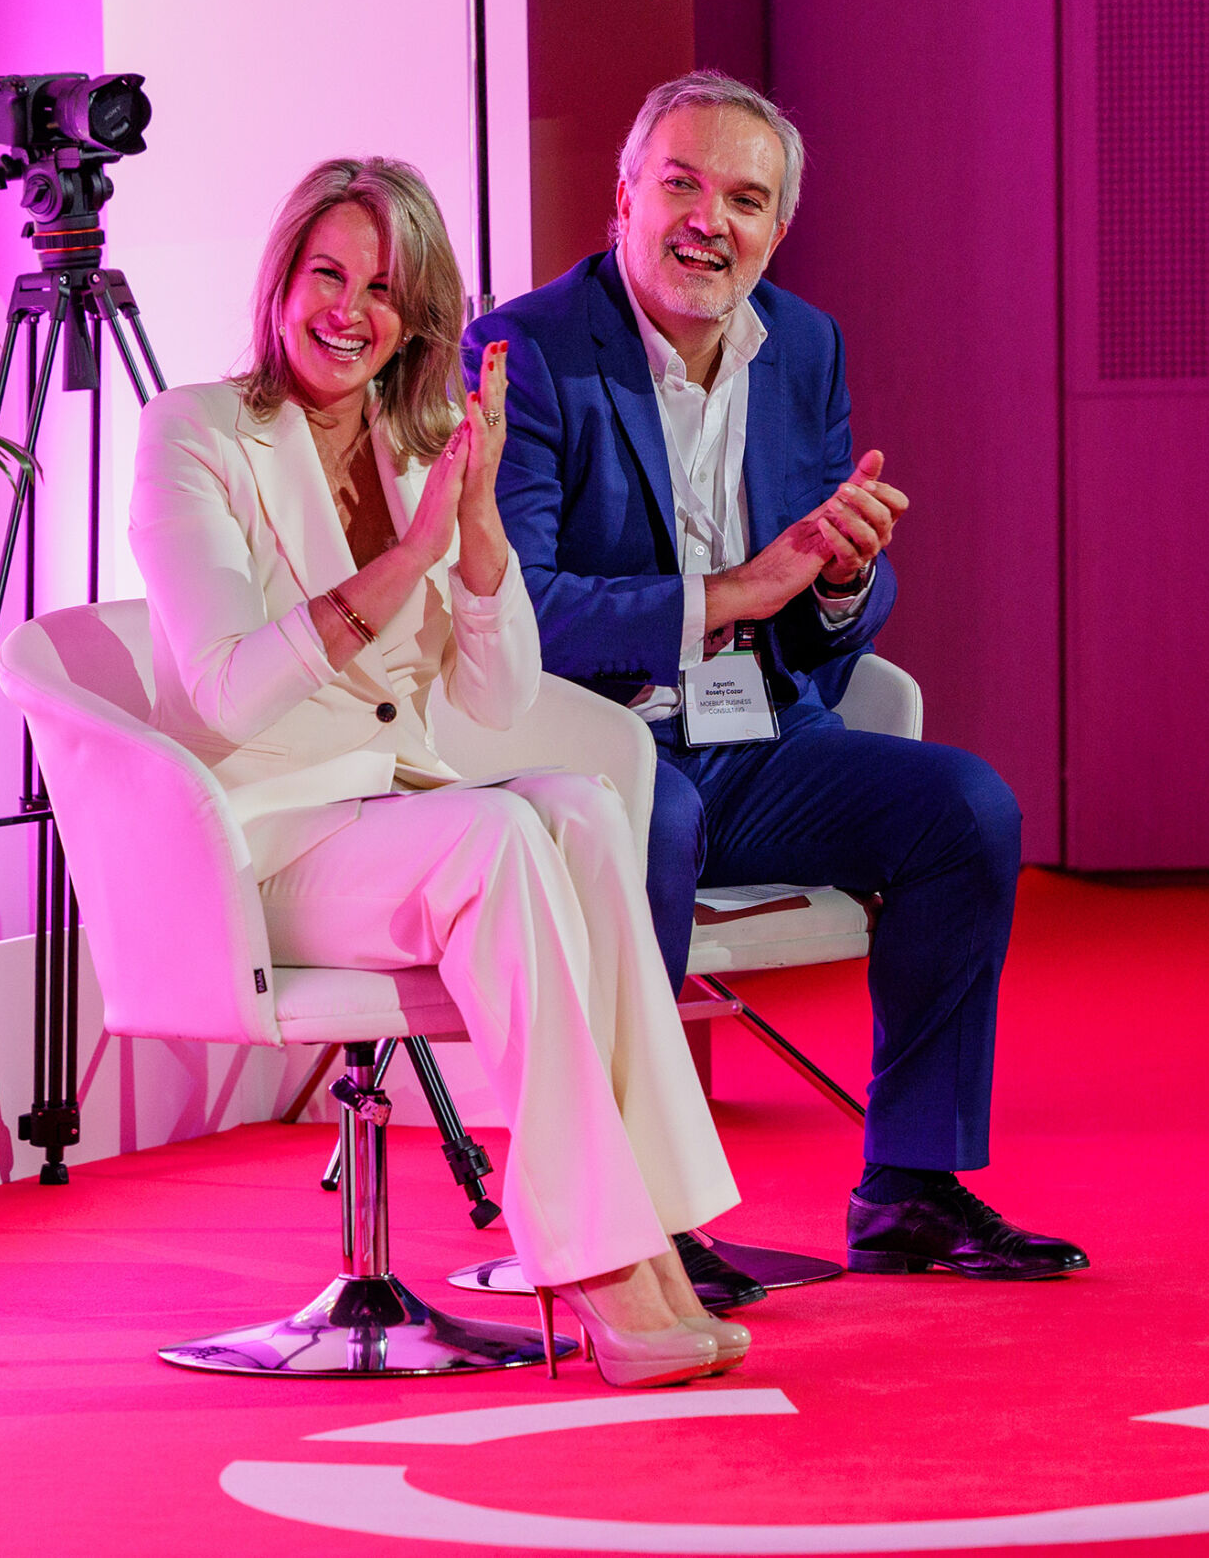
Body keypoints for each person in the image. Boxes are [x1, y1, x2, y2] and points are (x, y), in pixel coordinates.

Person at [129, 156, 746, 1386]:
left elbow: (497, 701)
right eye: (328, 275)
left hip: (390, 813)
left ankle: (655, 1233)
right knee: (496, 834)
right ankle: (594, 1261)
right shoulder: (194, 432)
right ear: (281, 278)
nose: (348, 312)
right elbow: (230, 689)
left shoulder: (418, 452)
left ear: (417, 321)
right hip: (259, 841)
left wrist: (471, 535)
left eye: (384, 291)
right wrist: (402, 563)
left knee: (576, 809)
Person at [465, 72, 1088, 1283]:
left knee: (966, 813)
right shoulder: (526, 352)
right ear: (622, 201)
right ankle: (636, 1220)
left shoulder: (802, 346)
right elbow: (515, 606)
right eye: (681, 185)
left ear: (777, 227)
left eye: (744, 200)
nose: (710, 221)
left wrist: (842, 580)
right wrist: (727, 596)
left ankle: (909, 1187)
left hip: (759, 737)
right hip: (595, 739)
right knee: (651, 819)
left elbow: (818, 629)